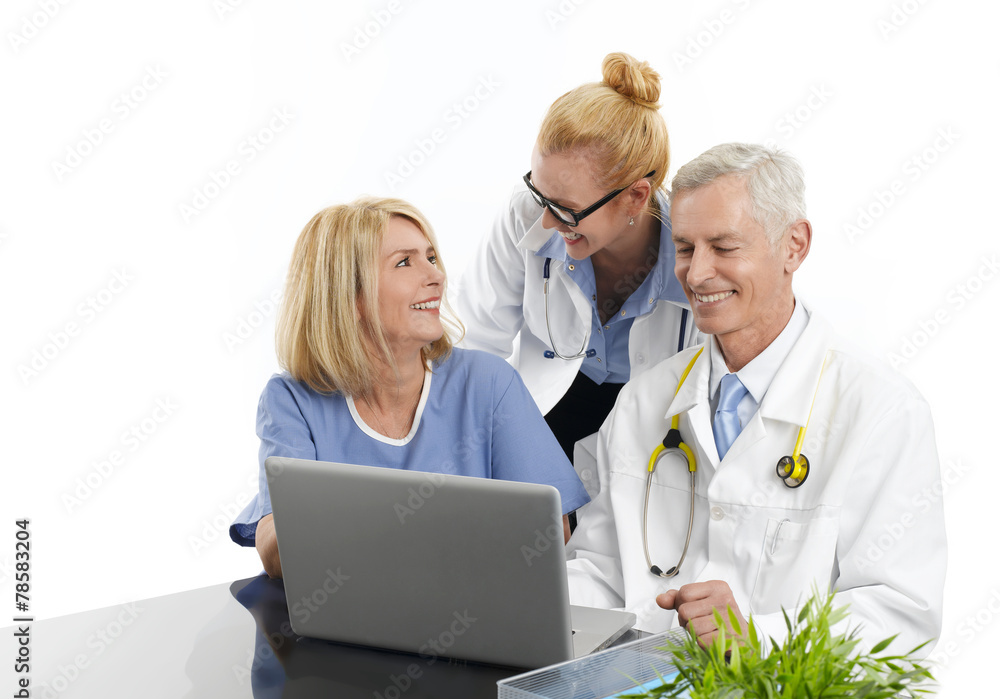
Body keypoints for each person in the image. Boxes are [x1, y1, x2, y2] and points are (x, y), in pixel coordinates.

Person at [565, 143, 946, 656]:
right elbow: (600, 570)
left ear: (794, 246)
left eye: (724, 247)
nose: (697, 274)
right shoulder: (643, 400)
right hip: (640, 697)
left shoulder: (882, 411)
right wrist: (526, 607)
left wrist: (757, 641)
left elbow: (898, 618)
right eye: (685, 248)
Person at [229, 197, 590, 577]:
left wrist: (361, 533)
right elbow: (276, 550)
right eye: (404, 262)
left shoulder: (489, 383)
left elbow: (549, 531)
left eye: (431, 258)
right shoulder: (293, 400)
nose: (436, 276)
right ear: (349, 296)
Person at [455, 52, 700, 469]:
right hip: (544, 411)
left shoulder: (698, 249)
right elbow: (477, 344)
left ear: (635, 197)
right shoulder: (526, 213)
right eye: (540, 194)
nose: (547, 222)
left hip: (654, 438)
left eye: (567, 209)